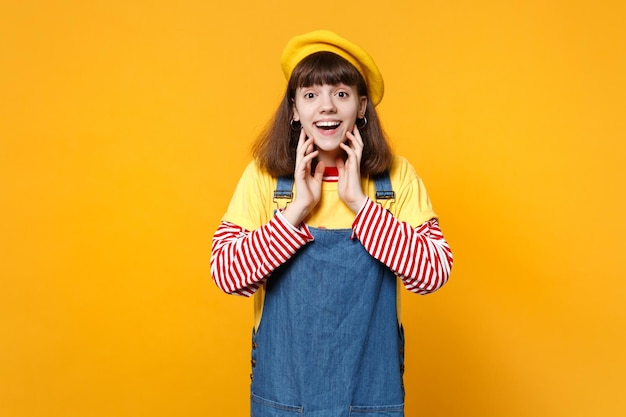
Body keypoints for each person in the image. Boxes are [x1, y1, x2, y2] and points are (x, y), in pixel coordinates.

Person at [211, 30, 453, 417]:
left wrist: (360, 203)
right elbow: (227, 276)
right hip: (284, 396)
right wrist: (295, 212)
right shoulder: (265, 179)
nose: (326, 106)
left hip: (371, 397)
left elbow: (433, 274)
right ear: (293, 109)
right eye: (310, 95)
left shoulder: (395, 179)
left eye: (341, 93)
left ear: (361, 107)